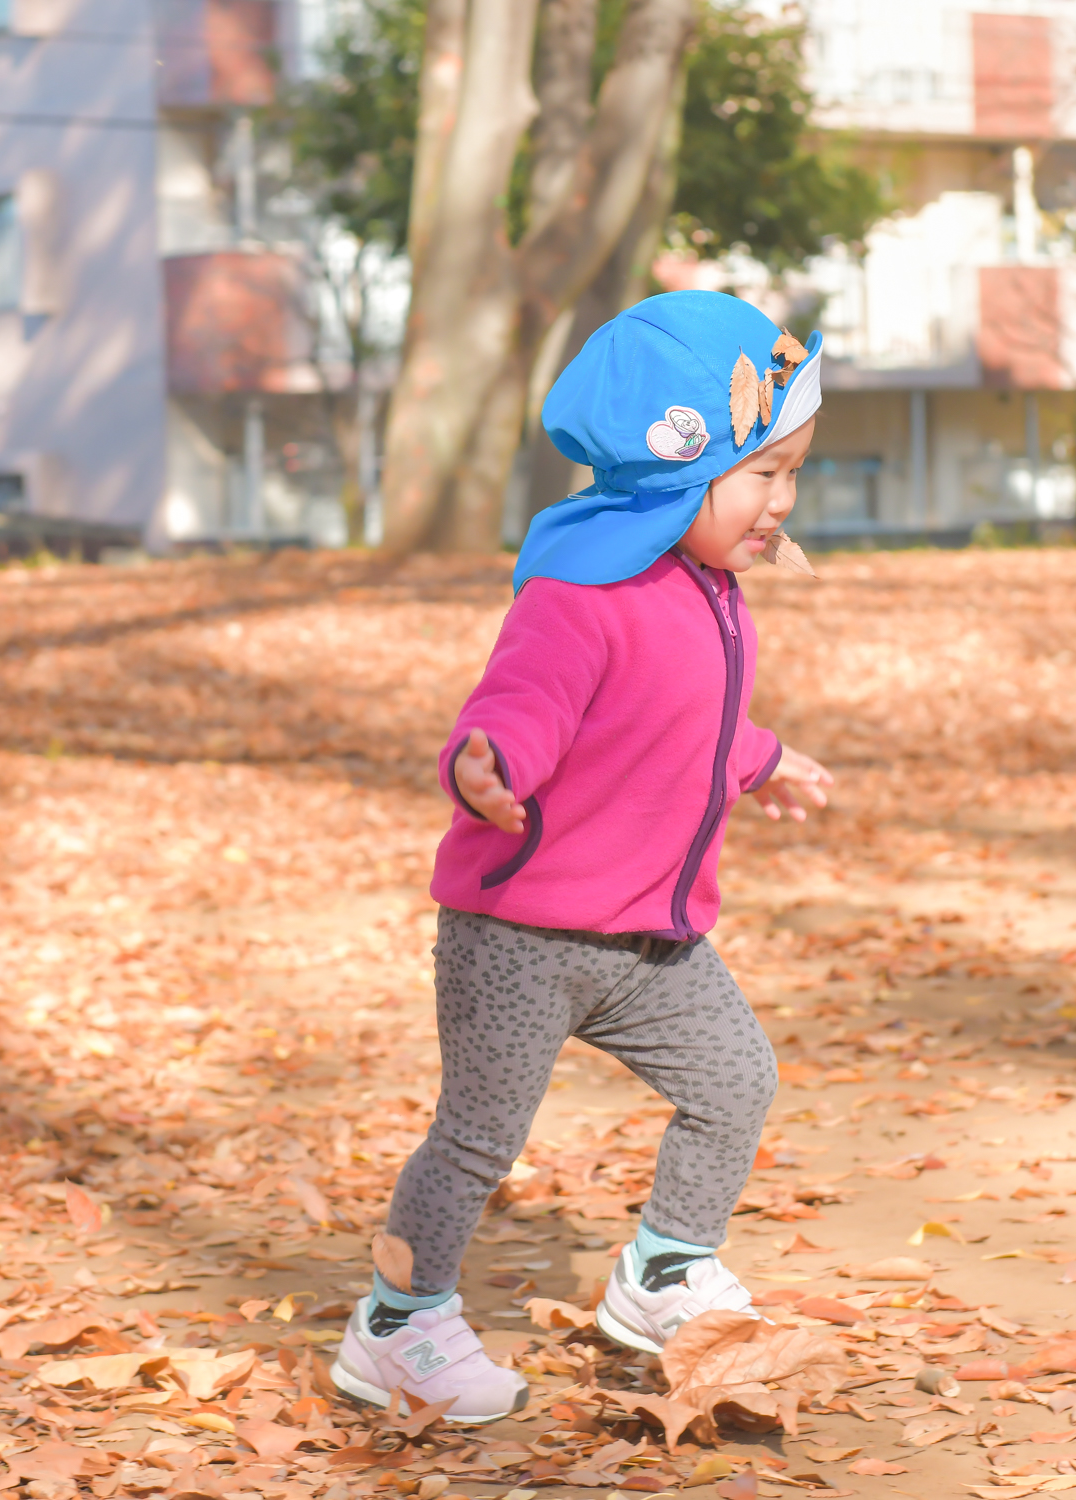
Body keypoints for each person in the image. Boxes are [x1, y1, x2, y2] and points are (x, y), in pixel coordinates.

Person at [329, 291, 836, 1422]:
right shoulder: (580, 594)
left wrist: (761, 759)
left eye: (794, 473)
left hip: (647, 942)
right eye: (764, 472)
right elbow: (521, 704)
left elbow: (676, 720)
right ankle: (397, 1328)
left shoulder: (707, 592)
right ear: (677, 466)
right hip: (522, 939)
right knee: (477, 1141)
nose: (784, 502)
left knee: (735, 1080)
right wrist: (488, 764)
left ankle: (665, 1267)